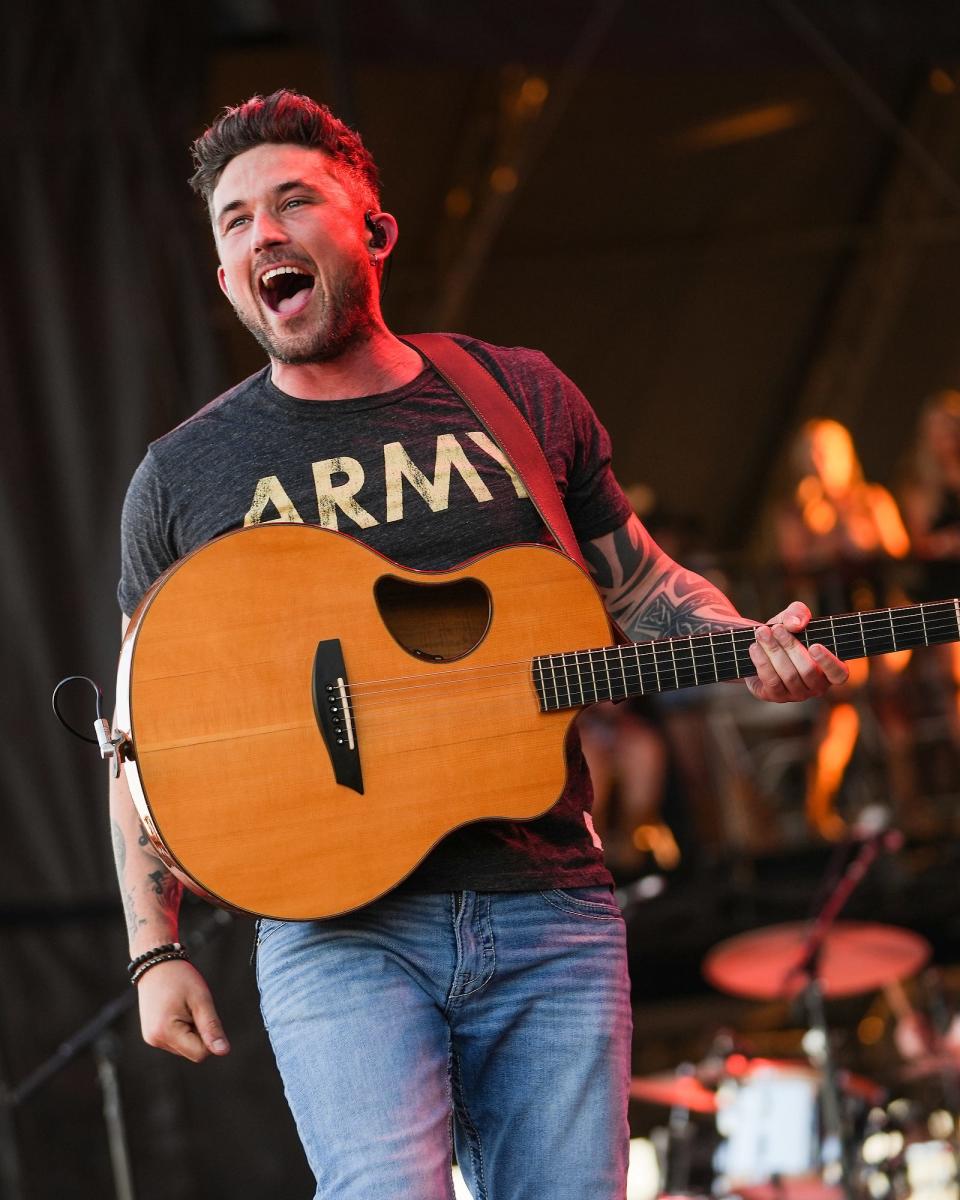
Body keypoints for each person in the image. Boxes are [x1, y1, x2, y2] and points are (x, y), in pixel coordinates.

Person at [109, 90, 848, 1200]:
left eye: (294, 200)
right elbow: (132, 735)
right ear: (225, 278)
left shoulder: (517, 397)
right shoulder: (182, 475)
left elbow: (641, 586)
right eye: (234, 220)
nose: (264, 231)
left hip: (547, 907)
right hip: (332, 931)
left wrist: (749, 642)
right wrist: (154, 948)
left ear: (372, 230)